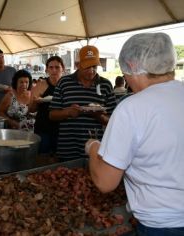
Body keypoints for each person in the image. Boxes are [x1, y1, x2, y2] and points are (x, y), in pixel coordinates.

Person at [85, 33, 184, 236]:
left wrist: (93, 148)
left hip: (163, 224)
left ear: (131, 64)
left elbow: (105, 182)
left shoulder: (131, 108)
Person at [49, 45, 116, 160]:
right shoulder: (64, 83)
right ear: (77, 65)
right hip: (68, 148)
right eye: (87, 67)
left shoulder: (106, 85)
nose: (91, 71)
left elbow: (114, 121)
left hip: (96, 148)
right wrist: (68, 112)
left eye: (94, 66)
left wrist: (99, 116)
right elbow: (52, 115)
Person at [29, 56, 65, 155]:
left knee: (60, 158)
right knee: (42, 157)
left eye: (57, 67)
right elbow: (31, 109)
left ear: (63, 69)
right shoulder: (40, 85)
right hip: (43, 128)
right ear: (47, 69)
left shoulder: (67, 86)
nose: (54, 70)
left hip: (62, 129)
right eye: (51, 67)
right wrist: (36, 102)